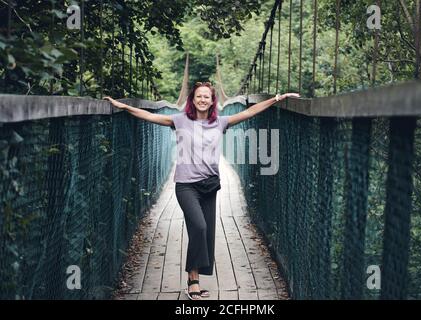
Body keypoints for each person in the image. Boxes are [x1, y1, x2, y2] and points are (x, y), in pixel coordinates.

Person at [104, 82, 300, 300]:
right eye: (199, 96)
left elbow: (249, 112)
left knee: (206, 233)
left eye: (207, 97)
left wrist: (276, 99)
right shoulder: (179, 120)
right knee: (199, 227)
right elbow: (148, 116)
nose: (203, 100)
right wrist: (123, 106)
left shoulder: (220, 122)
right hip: (186, 186)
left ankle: (194, 279)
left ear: (212, 100)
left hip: (209, 185)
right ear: (193, 99)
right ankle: (192, 278)